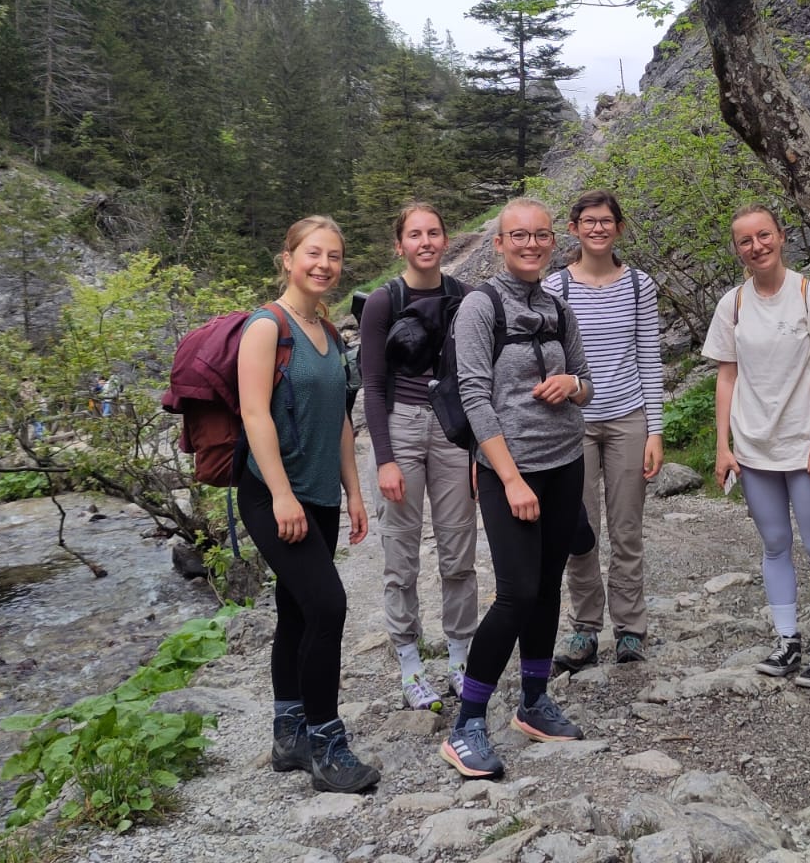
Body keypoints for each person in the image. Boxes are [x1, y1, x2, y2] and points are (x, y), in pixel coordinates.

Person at [440, 198, 595, 780]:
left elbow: (588, 384)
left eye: (541, 236)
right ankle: (468, 724)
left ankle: (533, 703)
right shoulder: (479, 307)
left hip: (566, 460)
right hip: (512, 470)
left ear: (554, 242)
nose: (531, 245)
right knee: (515, 594)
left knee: (548, 586)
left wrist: (571, 384)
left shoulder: (558, 307)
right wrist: (508, 478)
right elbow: (475, 396)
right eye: (519, 236)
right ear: (500, 244)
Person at [238, 215, 378, 793]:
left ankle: (288, 736)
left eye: (335, 256)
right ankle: (326, 746)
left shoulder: (326, 330)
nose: (325, 265)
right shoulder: (266, 328)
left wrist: (352, 491)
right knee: (328, 607)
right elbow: (253, 416)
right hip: (273, 494)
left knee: (297, 612)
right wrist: (280, 496)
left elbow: (342, 419)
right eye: (313, 254)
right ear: (289, 257)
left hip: (317, 494)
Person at [704, 205, 810, 688]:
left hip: (806, 442)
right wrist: (723, 445)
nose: (756, 246)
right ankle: (788, 640)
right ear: (737, 249)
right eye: (745, 241)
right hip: (753, 444)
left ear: (781, 237)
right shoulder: (734, 304)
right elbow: (727, 374)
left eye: (763, 235)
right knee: (773, 545)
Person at [359, 202, 477, 712]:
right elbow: (372, 383)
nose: (425, 241)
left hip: (453, 428)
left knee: (458, 551)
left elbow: (477, 377)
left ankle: (460, 656)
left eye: (433, 233)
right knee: (400, 554)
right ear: (399, 245)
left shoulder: (466, 298)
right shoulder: (384, 301)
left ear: (445, 240)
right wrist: (384, 458)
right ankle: (409, 661)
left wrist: (477, 449)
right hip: (401, 426)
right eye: (414, 234)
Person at [544, 190, 664, 672]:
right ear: (573, 229)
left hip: (629, 417)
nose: (598, 228)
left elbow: (650, 360)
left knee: (628, 527)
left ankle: (631, 628)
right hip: (573, 425)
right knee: (581, 530)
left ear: (619, 227)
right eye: (588, 221)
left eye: (606, 221)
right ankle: (586, 627)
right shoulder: (556, 289)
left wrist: (656, 430)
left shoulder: (639, 285)